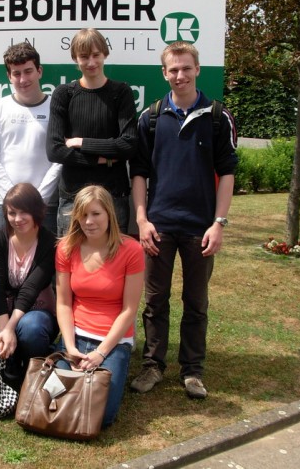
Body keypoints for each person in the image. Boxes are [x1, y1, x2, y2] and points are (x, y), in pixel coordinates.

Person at [130, 41, 238, 400]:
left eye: (186, 68)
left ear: (197, 70)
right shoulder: (152, 117)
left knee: (196, 302)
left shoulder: (218, 116)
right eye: (173, 69)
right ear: (164, 73)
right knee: (154, 301)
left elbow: (227, 173)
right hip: (159, 226)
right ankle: (153, 365)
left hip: (199, 229)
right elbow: (140, 174)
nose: (180, 75)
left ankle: (192, 371)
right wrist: (142, 220)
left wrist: (218, 223)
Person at [55, 185, 144, 427]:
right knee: (53, 398)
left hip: (112, 342)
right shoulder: (66, 248)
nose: (88, 221)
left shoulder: (131, 250)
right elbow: (63, 302)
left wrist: (100, 353)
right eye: (82, 215)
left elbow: (129, 310)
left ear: (109, 214)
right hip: (75, 336)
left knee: (101, 417)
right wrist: (70, 346)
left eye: (95, 214)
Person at [46, 28, 138, 235]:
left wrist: (81, 142)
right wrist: (103, 159)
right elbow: (55, 150)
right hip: (72, 195)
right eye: (84, 56)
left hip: (113, 195)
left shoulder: (121, 93)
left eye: (96, 55)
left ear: (105, 54)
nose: (91, 62)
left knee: (113, 262)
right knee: (70, 261)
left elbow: (129, 145)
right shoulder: (64, 94)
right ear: (75, 58)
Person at [0, 183, 58, 385]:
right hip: (3, 308)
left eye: (24, 212)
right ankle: (12, 361)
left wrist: (9, 329)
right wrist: (5, 331)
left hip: (37, 309)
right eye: (12, 213)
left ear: (37, 211)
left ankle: (34, 361)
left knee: (31, 330)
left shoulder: (49, 242)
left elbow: (30, 290)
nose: (17, 219)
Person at [0, 42, 61, 234]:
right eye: (16, 73)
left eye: (28, 71)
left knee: (43, 264)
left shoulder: (57, 108)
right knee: (0, 264)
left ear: (39, 71)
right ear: (9, 76)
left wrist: (38, 199)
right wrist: (14, 199)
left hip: (44, 205)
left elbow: (60, 158)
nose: (23, 79)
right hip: (3, 204)